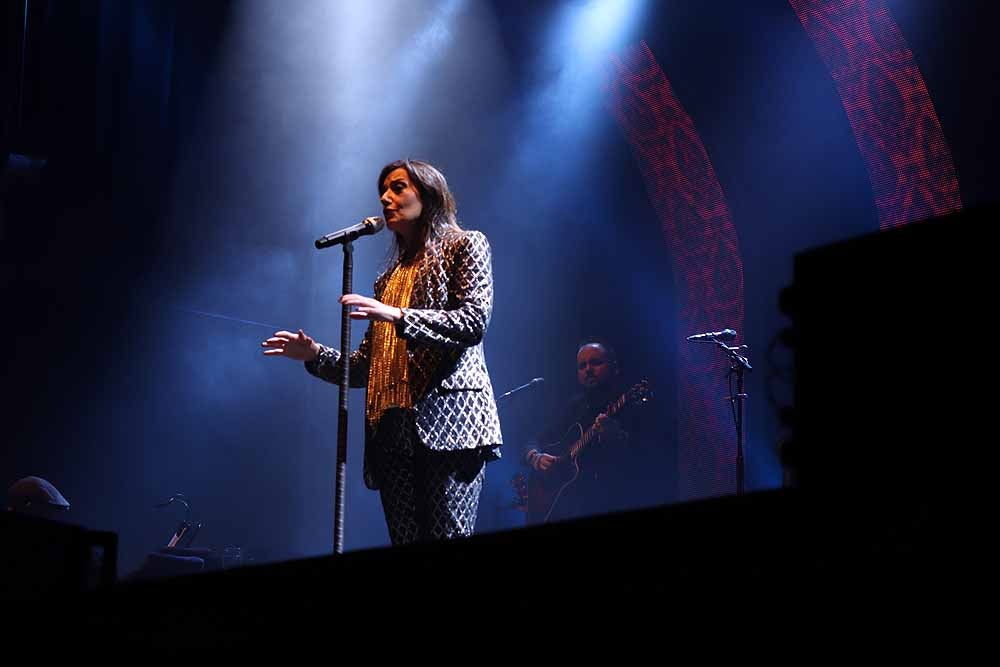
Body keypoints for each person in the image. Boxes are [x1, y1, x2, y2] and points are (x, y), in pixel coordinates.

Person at [262, 159, 503, 545]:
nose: (385, 198)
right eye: (383, 192)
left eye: (397, 187)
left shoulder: (466, 244)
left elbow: (472, 322)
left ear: (427, 193)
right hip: (390, 431)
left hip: (448, 425)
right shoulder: (387, 278)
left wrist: (397, 314)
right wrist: (313, 355)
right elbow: (362, 369)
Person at [523, 339, 659, 524]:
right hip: (568, 505)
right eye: (582, 365)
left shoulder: (629, 402)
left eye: (596, 363)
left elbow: (648, 459)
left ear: (614, 367)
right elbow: (534, 439)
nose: (588, 369)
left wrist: (617, 437)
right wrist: (535, 457)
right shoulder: (574, 406)